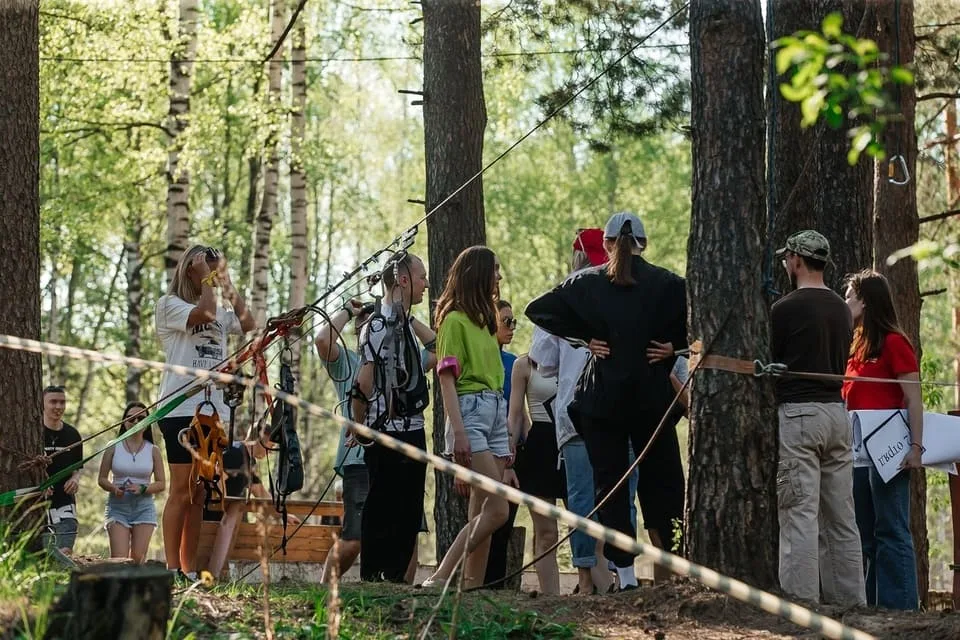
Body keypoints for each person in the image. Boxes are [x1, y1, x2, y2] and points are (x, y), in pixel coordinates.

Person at [526, 212, 687, 591]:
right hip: (651, 401)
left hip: (605, 404)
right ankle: (673, 570)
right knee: (663, 486)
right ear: (642, 244)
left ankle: (627, 576)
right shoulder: (666, 283)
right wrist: (674, 346)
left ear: (610, 244)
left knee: (610, 487)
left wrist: (582, 337)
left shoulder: (586, 283)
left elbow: (539, 309)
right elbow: (704, 317)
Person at [771, 230, 865, 606]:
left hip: (800, 415)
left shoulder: (784, 308)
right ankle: (851, 602)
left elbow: (773, 359)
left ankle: (802, 603)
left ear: (796, 259)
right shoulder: (842, 308)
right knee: (842, 516)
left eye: (787, 257)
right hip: (836, 414)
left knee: (799, 514)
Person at [317, 296, 435, 583]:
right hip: (360, 461)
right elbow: (322, 340)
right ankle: (325, 590)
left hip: (403, 452)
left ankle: (398, 596)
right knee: (356, 536)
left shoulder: (405, 360)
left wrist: (406, 318)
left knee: (408, 534)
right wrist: (348, 310)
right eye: (368, 326)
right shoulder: (349, 363)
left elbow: (436, 348)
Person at [155, 244, 255, 580]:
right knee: (181, 489)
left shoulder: (219, 308)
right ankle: (171, 569)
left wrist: (227, 284)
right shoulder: (170, 306)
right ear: (190, 270)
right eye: (206, 269)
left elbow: (248, 322)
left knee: (200, 492)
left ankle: (190, 569)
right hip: (180, 408)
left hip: (215, 412)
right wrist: (205, 280)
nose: (211, 275)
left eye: (215, 269)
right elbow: (206, 314)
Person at [529, 230, 619, 595]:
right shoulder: (624, 292)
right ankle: (618, 576)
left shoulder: (562, 298)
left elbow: (543, 362)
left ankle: (585, 580)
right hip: (617, 411)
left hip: (574, 413)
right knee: (616, 497)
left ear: (576, 258)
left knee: (581, 500)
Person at [423, 246, 511, 590]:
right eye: (495, 271)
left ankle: (471, 589)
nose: (499, 277)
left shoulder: (486, 323)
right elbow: (446, 380)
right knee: (499, 510)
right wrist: (458, 432)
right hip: (469, 414)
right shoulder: (454, 321)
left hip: (495, 413)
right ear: (479, 274)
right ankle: (440, 576)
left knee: (482, 514)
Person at [843, 269, 923, 610]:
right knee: (868, 535)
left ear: (865, 300)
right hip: (858, 453)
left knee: (892, 530)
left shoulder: (895, 342)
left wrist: (916, 448)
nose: (844, 302)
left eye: (848, 296)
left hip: (890, 452)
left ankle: (902, 609)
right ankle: (877, 607)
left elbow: (914, 398)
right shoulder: (856, 345)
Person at [351, 253, 433, 583]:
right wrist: (360, 426)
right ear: (402, 279)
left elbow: (438, 349)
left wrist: (409, 319)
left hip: (413, 429)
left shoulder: (404, 326)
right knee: (383, 505)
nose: (426, 283)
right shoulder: (376, 325)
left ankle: (397, 580)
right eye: (421, 277)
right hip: (384, 430)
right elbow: (363, 382)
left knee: (410, 508)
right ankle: (373, 578)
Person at [508, 354, 565, 595]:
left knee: (586, 524)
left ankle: (592, 587)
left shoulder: (576, 354)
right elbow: (515, 414)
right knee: (546, 531)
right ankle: (551, 597)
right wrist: (508, 456)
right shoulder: (523, 365)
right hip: (540, 447)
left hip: (573, 442)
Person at [479, 300, 523, 588]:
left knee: (503, 525)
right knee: (484, 522)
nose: (511, 328)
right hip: (486, 452)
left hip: (511, 453)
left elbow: (519, 413)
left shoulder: (514, 363)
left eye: (513, 322)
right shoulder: (482, 360)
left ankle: (494, 587)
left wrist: (513, 458)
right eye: (505, 321)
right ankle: (478, 584)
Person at [98, 402, 165, 563]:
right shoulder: (113, 446)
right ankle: (116, 588)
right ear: (124, 422)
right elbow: (101, 479)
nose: (135, 422)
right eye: (131, 419)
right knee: (119, 560)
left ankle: (136, 588)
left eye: (141, 418)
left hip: (144, 508)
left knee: (137, 560)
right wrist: (114, 488)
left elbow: (162, 483)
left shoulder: (153, 450)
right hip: (118, 507)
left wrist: (143, 488)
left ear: (148, 422)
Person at [41, 385, 83, 555]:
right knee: (46, 553)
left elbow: (78, 467)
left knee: (65, 550)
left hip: (64, 502)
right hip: (37, 503)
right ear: (42, 403)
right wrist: (40, 482)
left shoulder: (73, 434)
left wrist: (75, 479)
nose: (58, 406)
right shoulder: (33, 431)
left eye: (62, 402)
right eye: (53, 402)